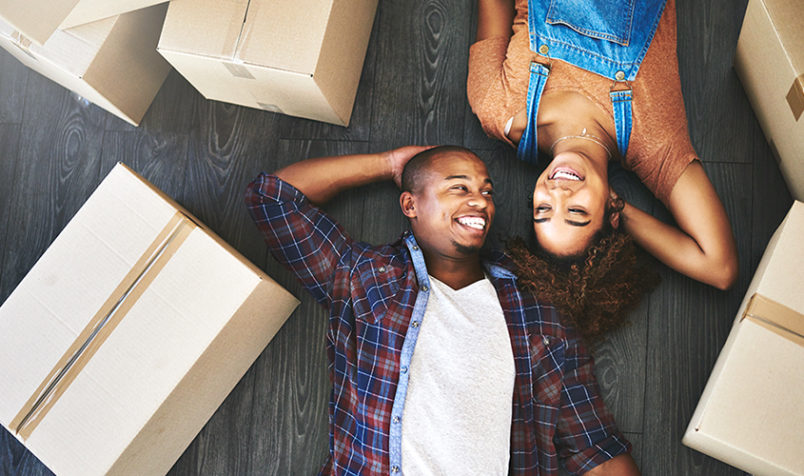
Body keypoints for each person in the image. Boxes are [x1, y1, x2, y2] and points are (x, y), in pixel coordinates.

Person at [245, 145, 640, 475]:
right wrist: (389, 164)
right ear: (410, 204)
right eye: (458, 188)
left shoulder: (538, 312)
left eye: (486, 191)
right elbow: (273, 198)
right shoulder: (365, 278)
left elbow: (594, 448)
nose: (479, 201)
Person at [467, 0, 738, 293]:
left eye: (543, 208)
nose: (558, 193)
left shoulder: (495, 107)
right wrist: (621, 208)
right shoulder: (654, 143)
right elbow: (719, 268)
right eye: (576, 213)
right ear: (611, 213)